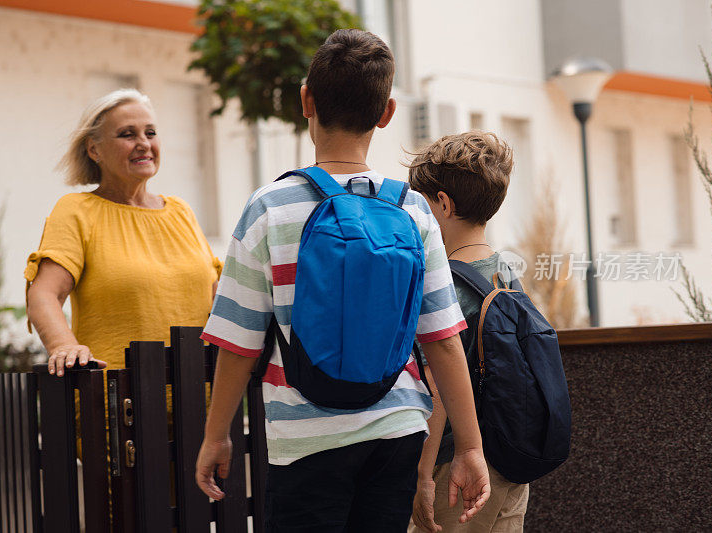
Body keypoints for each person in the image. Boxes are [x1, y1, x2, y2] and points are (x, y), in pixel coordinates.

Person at [194, 29, 490, 532]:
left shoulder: (270, 207)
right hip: (397, 431)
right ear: (387, 112)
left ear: (306, 100)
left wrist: (217, 434)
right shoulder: (412, 210)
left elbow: (238, 340)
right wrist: (470, 446)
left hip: (306, 440)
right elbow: (442, 340)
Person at [26, 88, 222, 377]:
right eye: (127, 134)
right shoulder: (77, 211)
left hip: (197, 402)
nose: (143, 143)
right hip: (118, 406)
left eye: (150, 133)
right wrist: (63, 345)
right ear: (95, 150)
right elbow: (44, 294)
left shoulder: (181, 211)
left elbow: (217, 295)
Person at [407, 132, 528, 533]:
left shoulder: (449, 285)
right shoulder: (505, 272)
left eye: (420, 204)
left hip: (456, 470)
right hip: (511, 461)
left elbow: (439, 383)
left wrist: (423, 475)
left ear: (443, 204)